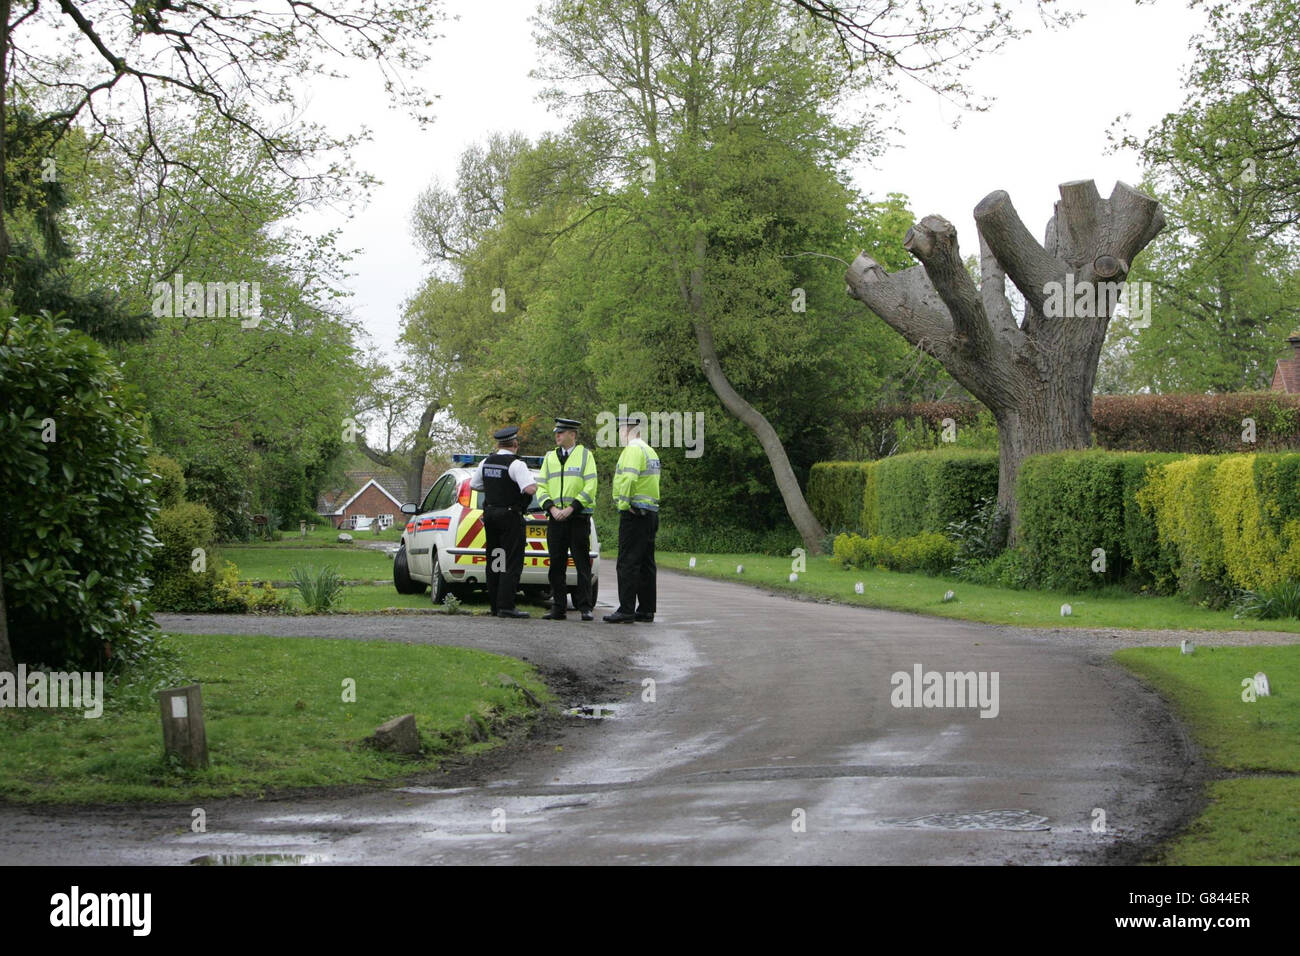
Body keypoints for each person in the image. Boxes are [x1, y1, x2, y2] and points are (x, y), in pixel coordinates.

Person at [469, 426, 537, 618]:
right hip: (510, 517)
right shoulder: (516, 464)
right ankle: (506, 606)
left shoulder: (486, 462)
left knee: (495, 560)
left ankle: (495, 605)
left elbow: (474, 485)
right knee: (511, 561)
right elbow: (530, 489)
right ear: (515, 444)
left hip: (490, 515)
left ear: (498, 444)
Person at [538, 418, 598, 622]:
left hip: (578, 517)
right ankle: (558, 607)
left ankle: (585, 607)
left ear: (572, 435)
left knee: (582, 564)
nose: (557, 436)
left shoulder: (585, 456)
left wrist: (572, 508)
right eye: (556, 432)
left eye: (561, 433)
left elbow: (590, 486)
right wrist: (552, 508)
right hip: (555, 518)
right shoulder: (549, 457)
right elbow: (541, 487)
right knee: (556, 564)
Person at [604, 415, 660, 623]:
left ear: (627, 430)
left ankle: (626, 609)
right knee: (646, 563)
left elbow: (628, 479)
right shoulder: (649, 450)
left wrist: (623, 505)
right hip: (650, 512)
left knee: (627, 562)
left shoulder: (632, 450)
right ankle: (646, 609)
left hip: (634, 513)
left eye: (620, 430)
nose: (619, 434)